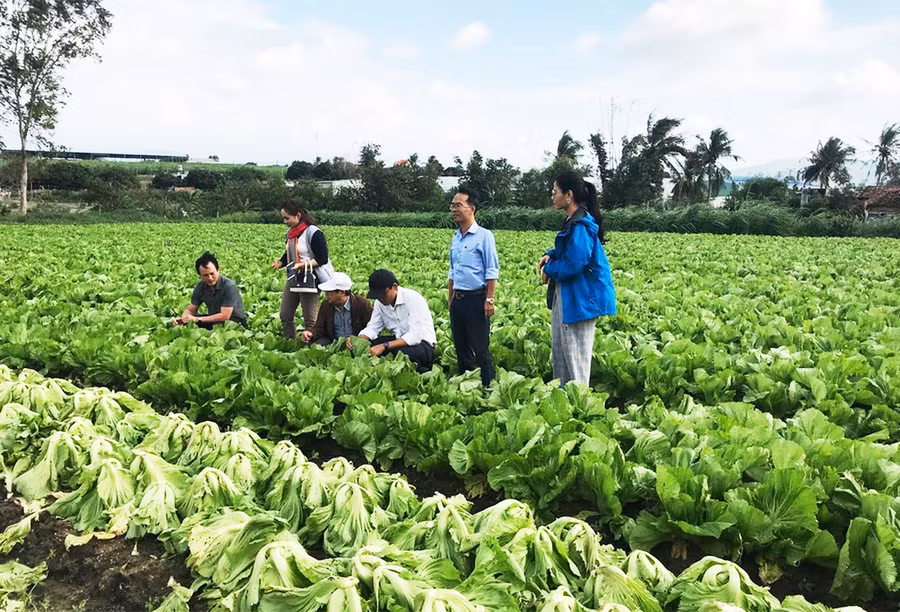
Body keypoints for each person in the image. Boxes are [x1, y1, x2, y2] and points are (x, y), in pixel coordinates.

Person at [537, 171, 616, 387]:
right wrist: (551, 255)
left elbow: (575, 263)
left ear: (569, 195)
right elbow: (568, 250)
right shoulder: (573, 222)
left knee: (575, 357)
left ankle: (579, 406)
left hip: (580, 298)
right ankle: (564, 402)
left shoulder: (581, 225)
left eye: (555, 192)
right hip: (571, 295)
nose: (553, 196)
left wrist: (550, 268)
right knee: (563, 352)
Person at [448, 187, 499, 386]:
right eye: (452, 205)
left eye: (458, 205)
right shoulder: (455, 237)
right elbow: (452, 270)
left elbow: (491, 270)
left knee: (481, 348)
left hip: (476, 299)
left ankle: (488, 386)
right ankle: (467, 386)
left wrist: (490, 299)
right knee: (461, 348)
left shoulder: (484, 236)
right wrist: (450, 296)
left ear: (472, 209)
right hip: (458, 300)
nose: (453, 209)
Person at [271, 200, 334, 340]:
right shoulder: (291, 233)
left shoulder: (313, 232)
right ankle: (290, 343)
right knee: (285, 314)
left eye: (287, 218)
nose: (285, 221)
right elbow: (289, 252)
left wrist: (303, 264)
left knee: (310, 319)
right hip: (294, 276)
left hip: (311, 278)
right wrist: (281, 262)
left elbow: (322, 258)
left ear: (298, 216)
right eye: (283, 218)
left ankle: (311, 347)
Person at [357, 269, 437, 371]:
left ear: (394, 287)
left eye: (382, 295)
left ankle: (423, 370)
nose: (380, 299)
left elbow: (415, 336)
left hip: (422, 345)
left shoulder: (413, 299)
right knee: (367, 346)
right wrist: (361, 339)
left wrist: (384, 346)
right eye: (377, 296)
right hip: (397, 342)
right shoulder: (380, 303)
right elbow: (373, 327)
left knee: (404, 354)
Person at [174, 252, 248, 329]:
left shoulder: (229, 286)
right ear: (200, 276)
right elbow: (191, 309)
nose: (210, 278)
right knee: (184, 324)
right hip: (214, 322)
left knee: (195, 321)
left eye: (212, 273)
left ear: (218, 270)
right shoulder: (200, 287)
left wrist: (196, 319)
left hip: (235, 323)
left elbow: (225, 316)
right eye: (205, 275)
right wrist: (183, 319)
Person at [300, 272, 374, 346]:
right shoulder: (326, 305)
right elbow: (320, 328)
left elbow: (371, 327)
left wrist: (357, 339)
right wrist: (311, 333)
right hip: (334, 343)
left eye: (330, 292)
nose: (326, 294)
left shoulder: (362, 304)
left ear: (341, 292)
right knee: (313, 345)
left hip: (355, 343)